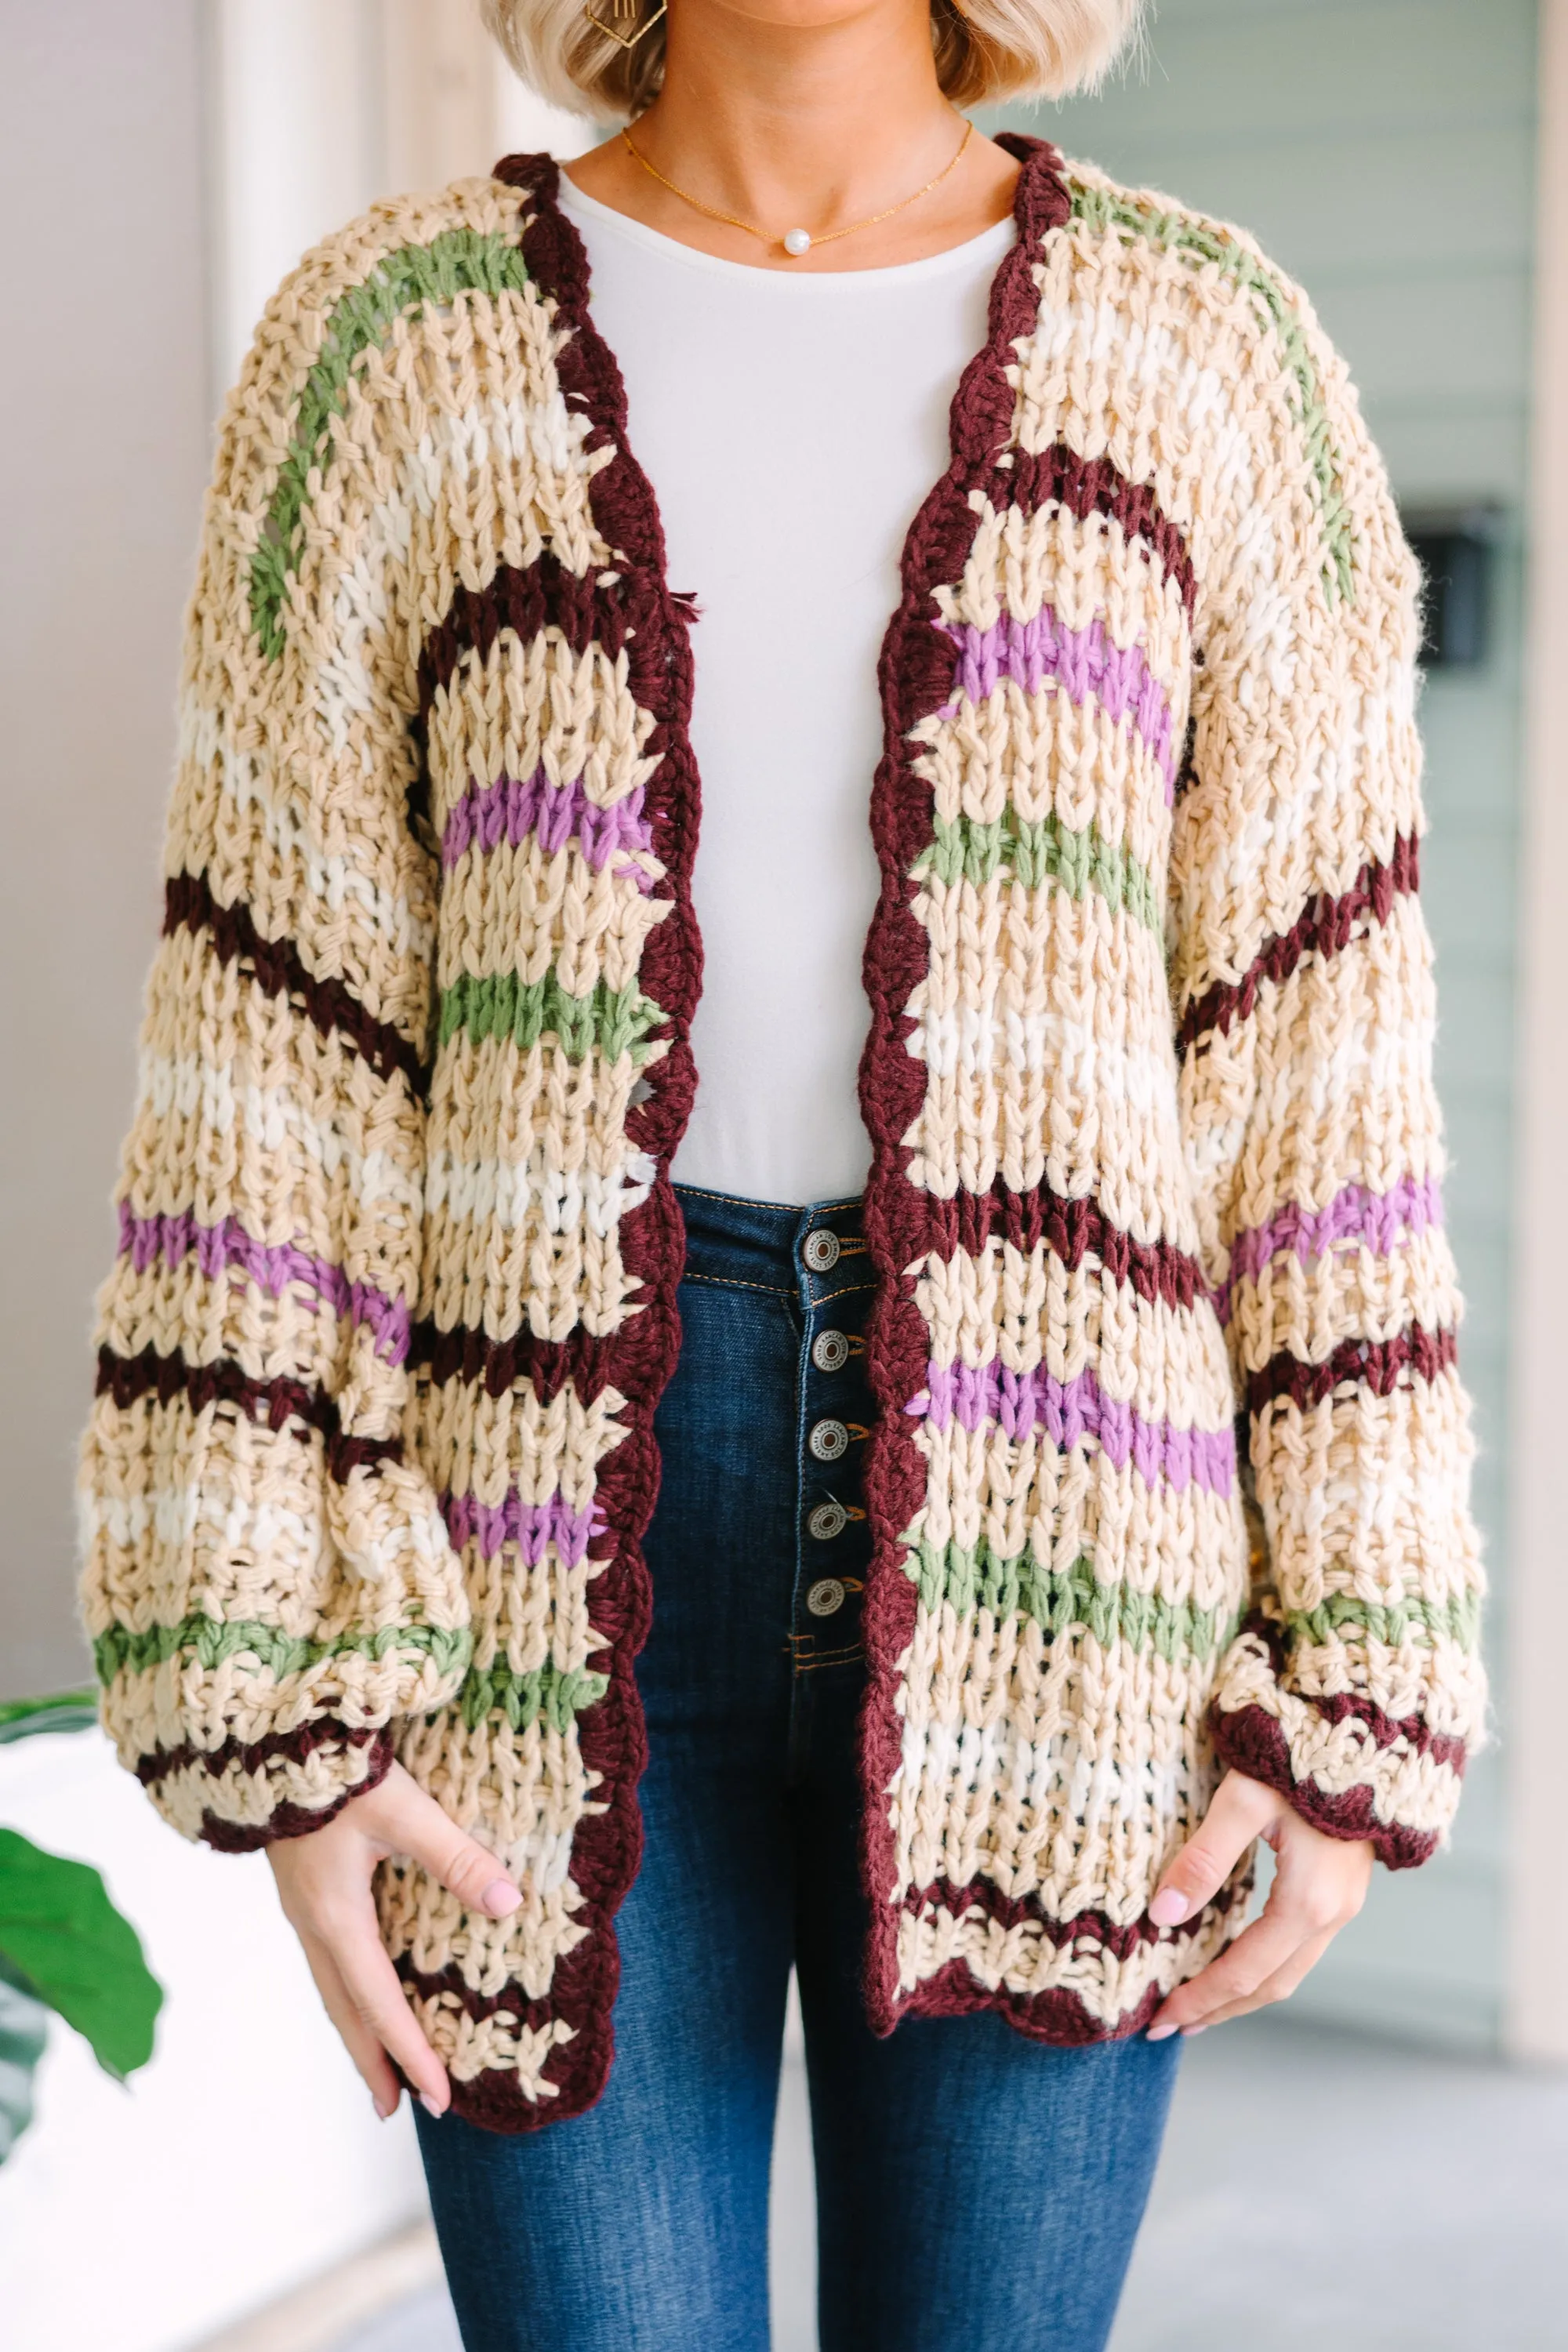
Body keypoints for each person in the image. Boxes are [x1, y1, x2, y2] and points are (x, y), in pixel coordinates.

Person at [78, 0, 1486, 2344]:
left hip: (1073, 1569)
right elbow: (273, 1037)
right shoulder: (386, 351)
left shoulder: (1205, 346)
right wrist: (262, 1678)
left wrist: (1358, 1667)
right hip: (527, 1590)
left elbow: (1323, 1035)